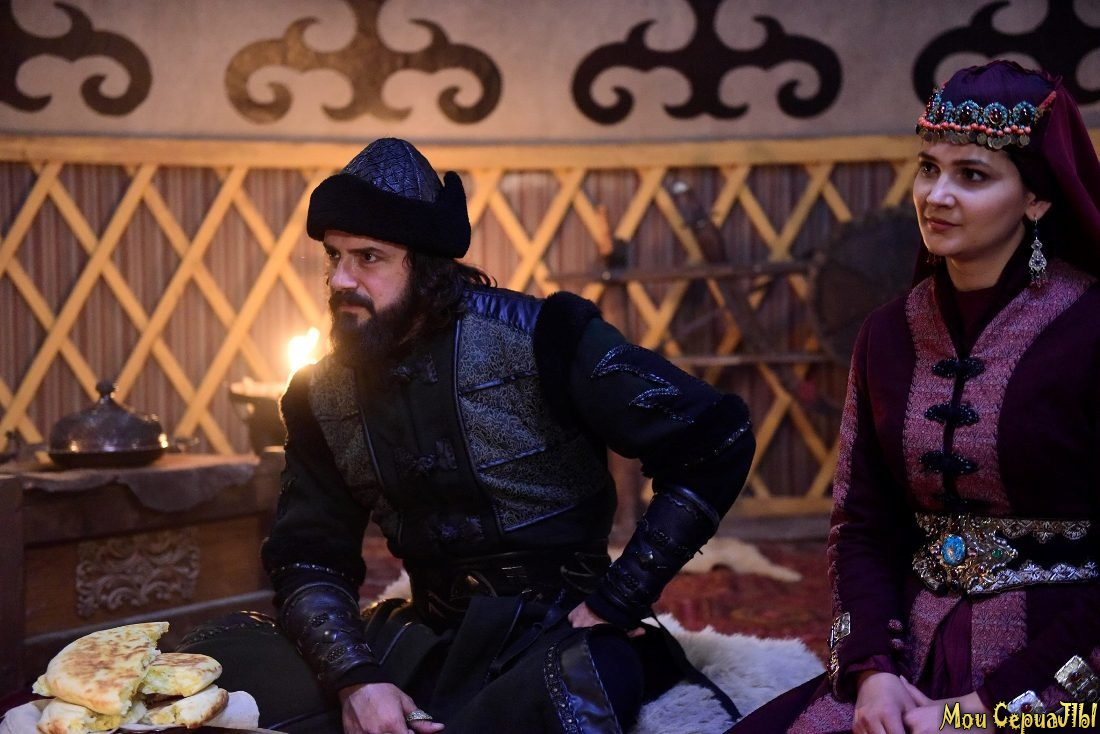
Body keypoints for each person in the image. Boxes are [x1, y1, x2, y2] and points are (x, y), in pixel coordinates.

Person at [178, 137, 755, 734]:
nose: (342, 279)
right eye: (334, 256)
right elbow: (308, 556)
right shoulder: (318, 394)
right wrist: (357, 679)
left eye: (369, 257)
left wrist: (620, 597)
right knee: (218, 654)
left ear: (427, 266)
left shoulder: (544, 337)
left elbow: (716, 439)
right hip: (424, 636)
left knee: (576, 691)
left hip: (554, 636)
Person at [731, 59, 1100, 734]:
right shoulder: (888, 333)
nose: (937, 195)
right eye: (929, 168)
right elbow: (861, 525)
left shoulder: (1091, 327)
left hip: (1064, 666)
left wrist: (987, 711)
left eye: (973, 175)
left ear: (1036, 199)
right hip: (910, 654)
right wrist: (872, 673)